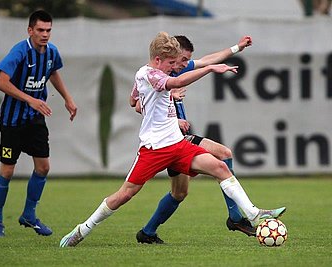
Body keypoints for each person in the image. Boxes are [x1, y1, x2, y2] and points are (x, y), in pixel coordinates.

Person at [59, 31, 285, 247]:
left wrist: (160, 100)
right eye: (172, 63)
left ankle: (253, 214)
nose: (176, 67)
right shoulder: (149, 74)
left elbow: (135, 99)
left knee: (220, 167)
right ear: (158, 60)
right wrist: (208, 71)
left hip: (177, 144)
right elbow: (167, 86)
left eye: (179, 62)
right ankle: (82, 229)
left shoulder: (157, 74)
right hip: (154, 149)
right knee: (125, 195)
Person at [133, 35, 256, 244]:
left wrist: (237, 47)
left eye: (186, 60)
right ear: (169, 56)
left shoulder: (177, 69)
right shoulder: (158, 74)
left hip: (178, 140)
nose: (184, 64)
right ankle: (235, 217)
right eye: (182, 60)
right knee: (224, 154)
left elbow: (209, 60)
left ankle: (147, 232)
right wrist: (174, 106)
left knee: (179, 193)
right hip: (170, 140)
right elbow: (137, 105)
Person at [0, 10, 77, 237]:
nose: (45, 34)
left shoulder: (51, 52)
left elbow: (53, 72)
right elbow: (1, 82)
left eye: (48, 30)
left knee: (43, 167)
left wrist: (68, 98)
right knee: (7, 171)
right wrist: (31, 99)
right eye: (40, 30)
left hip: (35, 120)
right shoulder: (20, 51)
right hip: (12, 121)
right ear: (30, 30)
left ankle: (29, 215)